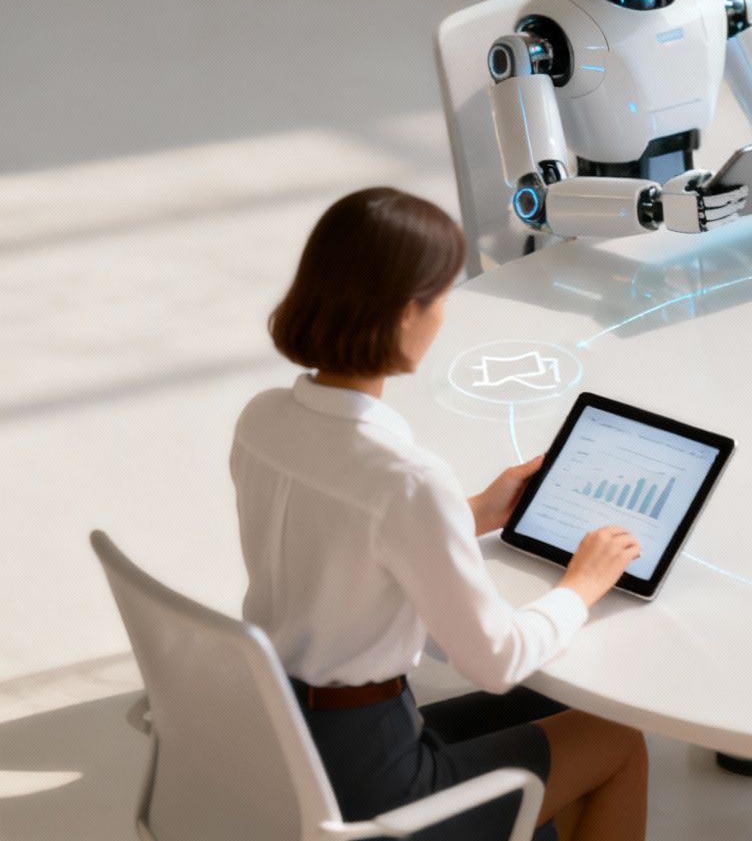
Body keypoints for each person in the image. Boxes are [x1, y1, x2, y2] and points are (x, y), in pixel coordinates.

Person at [231, 187, 648, 841]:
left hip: (284, 738)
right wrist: (582, 585)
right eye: (443, 297)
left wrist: (475, 510)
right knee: (618, 741)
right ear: (407, 314)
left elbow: (341, 529)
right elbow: (495, 660)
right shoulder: (407, 479)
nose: (445, 314)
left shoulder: (262, 419)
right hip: (375, 779)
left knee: (552, 709)